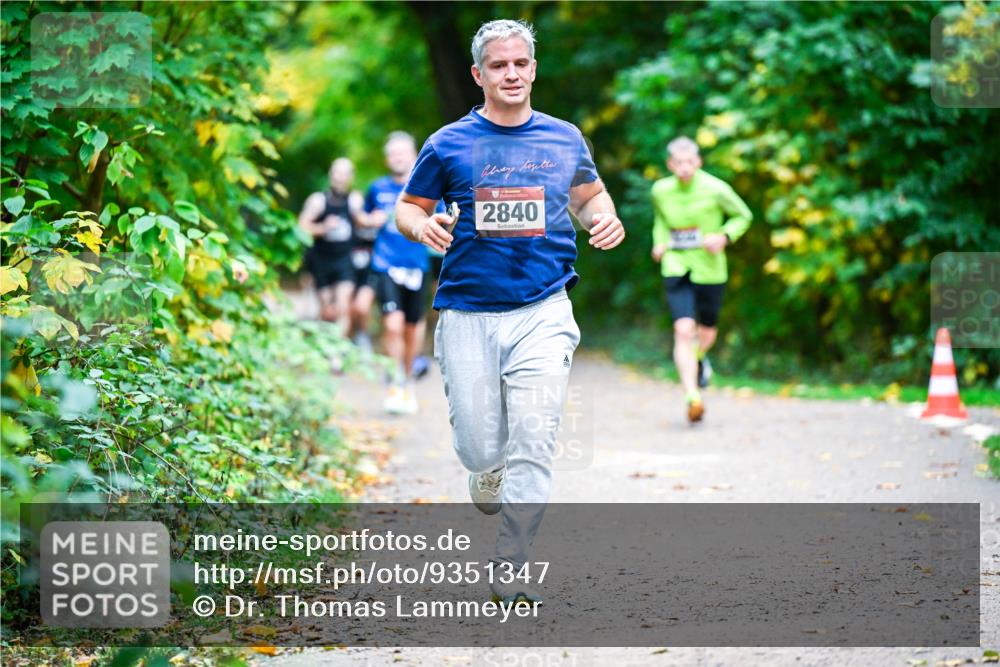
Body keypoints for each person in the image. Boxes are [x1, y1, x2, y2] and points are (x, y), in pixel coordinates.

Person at [395, 19, 624, 605]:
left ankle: (511, 565)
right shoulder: (447, 143)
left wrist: (604, 216)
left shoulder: (564, 138)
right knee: (478, 447)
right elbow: (408, 209)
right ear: (479, 75)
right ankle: (485, 470)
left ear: (533, 69)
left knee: (536, 437)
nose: (512, 74)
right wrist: (423, 226)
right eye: (499, 65)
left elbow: (588, 195)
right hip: (468, 311)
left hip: (544, 308)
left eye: (520, 63)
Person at [650, 136, 752, 423]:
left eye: (689, 162)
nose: (684, 168)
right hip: (676, 265)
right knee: (683, 329)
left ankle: (696, 359)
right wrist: (659, 242)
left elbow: (743, 215)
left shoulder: (716, 188)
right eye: (678, 163)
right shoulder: (660, 190)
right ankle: (693, 397)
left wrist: (724, 236)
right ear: (670, 164)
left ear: (698, 162)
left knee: (706, 333)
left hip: (710, 268)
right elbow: (660, 222)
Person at [366, 132, 435, 415]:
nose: (398, 158)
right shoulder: (377, 188)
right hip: (385, 264)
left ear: (413, 155)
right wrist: (371, 220)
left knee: (411, 329)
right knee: (392, 325)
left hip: (417, 266)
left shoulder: (426, 189)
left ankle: (406, 380)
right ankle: (394, 382)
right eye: (393, 154)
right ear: (387, 159)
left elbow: (440, 219)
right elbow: (362, 216)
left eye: (402, 153)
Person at [298, 158, 365, 335]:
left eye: (345, 174)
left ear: (351, 177)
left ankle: (338, 355)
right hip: (321, 261)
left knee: (343, 306)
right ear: (330, 175)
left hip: (344, 260)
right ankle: (324, 348)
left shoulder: (354, 201)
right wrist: (323, 228)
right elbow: (301, 227)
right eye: (337, 173)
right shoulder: (318, 201)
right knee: (326, 310)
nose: (340, 178)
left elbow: (363, 222)